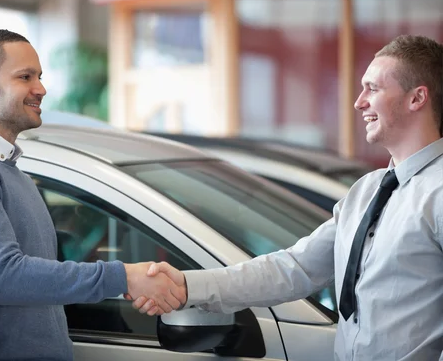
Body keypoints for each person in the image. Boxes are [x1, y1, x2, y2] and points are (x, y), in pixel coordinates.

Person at [134, 35, 443, 361]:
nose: (359, 101)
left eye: (373, 88)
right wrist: (186, 286)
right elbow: (293, 268)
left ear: (417, 98)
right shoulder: (366, 192)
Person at [0, 29, 186, 361]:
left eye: (39, 76)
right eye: (25, 77)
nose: (41, 89)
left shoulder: (4, 164)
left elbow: (35, 273)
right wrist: (124, 276)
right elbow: (6, 276)